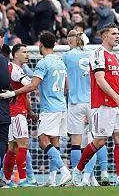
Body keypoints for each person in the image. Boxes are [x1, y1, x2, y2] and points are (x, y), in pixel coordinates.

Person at [4, 32, 70, 186]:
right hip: (61, 106)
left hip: (49, 108)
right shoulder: (60, 62)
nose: (28, 54)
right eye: (24, 52)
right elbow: (66, 87)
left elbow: (33, 86)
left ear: (40, 45)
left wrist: (12, 93)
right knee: (53, 141)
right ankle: (53, 179)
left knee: (42, 141)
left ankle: (65, 172)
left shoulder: (43, 63)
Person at [73, 25, 119, 187]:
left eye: (118, 33)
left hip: (117, 103)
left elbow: (115, 81)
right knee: (99, 141)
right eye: (113, 34)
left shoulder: (114, 55)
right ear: (104, 36)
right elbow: (100, 79)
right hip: (103, 104)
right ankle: (78, 170)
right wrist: (117, 98)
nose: (117, 36)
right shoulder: (98, 54)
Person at [63, 29, 107, 185]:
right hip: (93, 101)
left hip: (75, 102)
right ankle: (93, 176)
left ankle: (77, 175)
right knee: (95, 140)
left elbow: (64, 80)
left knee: (76, 141)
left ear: (71, 40)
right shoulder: (93, 53)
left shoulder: (67, 56)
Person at [0, 45, 33, 186]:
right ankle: (24, 180)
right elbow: (30, 85)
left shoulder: (12, 68)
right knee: (23, 144)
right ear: (15, 55)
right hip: (16, 112)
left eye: (28, 52)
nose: (27, 55)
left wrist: (30, 110)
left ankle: (7, 179)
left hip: (13, 112)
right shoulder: (14, 69)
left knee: (13, 148)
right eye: (24, 52)